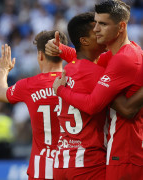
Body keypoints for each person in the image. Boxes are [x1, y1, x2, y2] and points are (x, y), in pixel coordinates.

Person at [52, 1, 142, 179]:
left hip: (124, 152)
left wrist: (61, 91)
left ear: (121, 26)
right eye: (96, 23)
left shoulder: (122, 60)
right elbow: (87, 61)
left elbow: (101, 105)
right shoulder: (120, 55)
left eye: (103, 24)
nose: (96, 29)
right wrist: (60, 49)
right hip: (123, 151)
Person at [0, 30, 68, 179]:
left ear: (40, 55)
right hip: (73, 164)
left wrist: (3, 71)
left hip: (42, 168)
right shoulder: (76, 82)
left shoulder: (28, 85)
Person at [46, 12, 107, 180]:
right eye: (96, 32)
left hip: (61, 162)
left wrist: (62, 49)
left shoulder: (68, 70)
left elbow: (80, 59)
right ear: (84, 41)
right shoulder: (100, 74)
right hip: (89, 163)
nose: (101, 34)